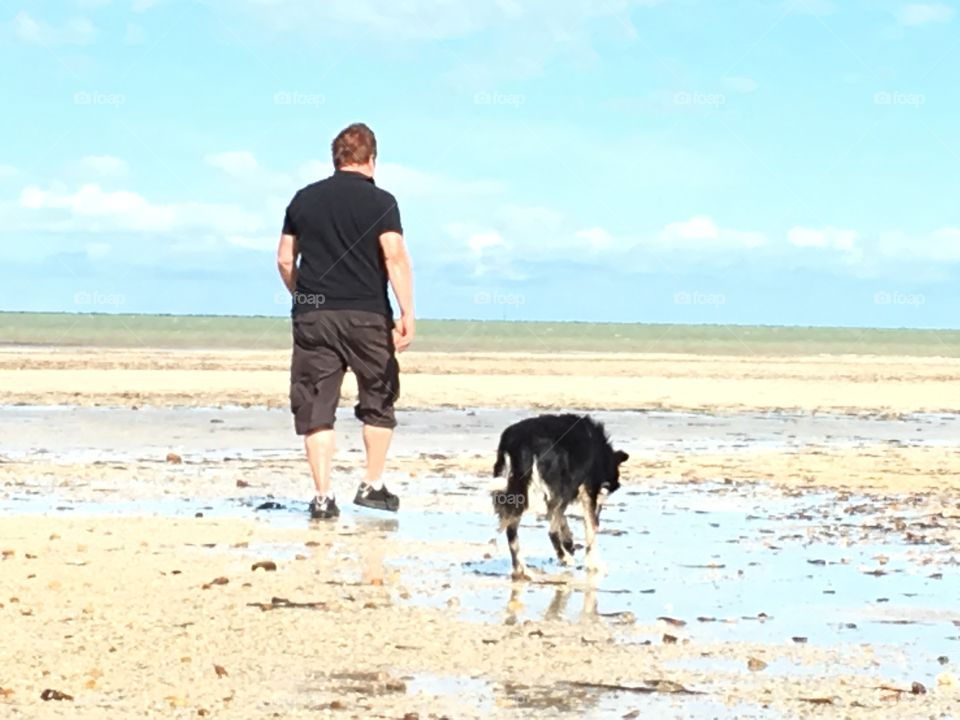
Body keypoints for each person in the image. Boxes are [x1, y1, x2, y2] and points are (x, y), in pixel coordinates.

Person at [276, 122, 415, 520]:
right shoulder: (382, 202)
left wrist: (304, 296)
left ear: (336, 159)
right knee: (378, 397)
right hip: (368, 313)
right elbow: (394, 256)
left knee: (315, 404)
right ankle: (372, 484)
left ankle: (322, 497)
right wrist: (407, 312)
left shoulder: (304, 199)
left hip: (314, 317)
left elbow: (286, 259)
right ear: (372, 159)